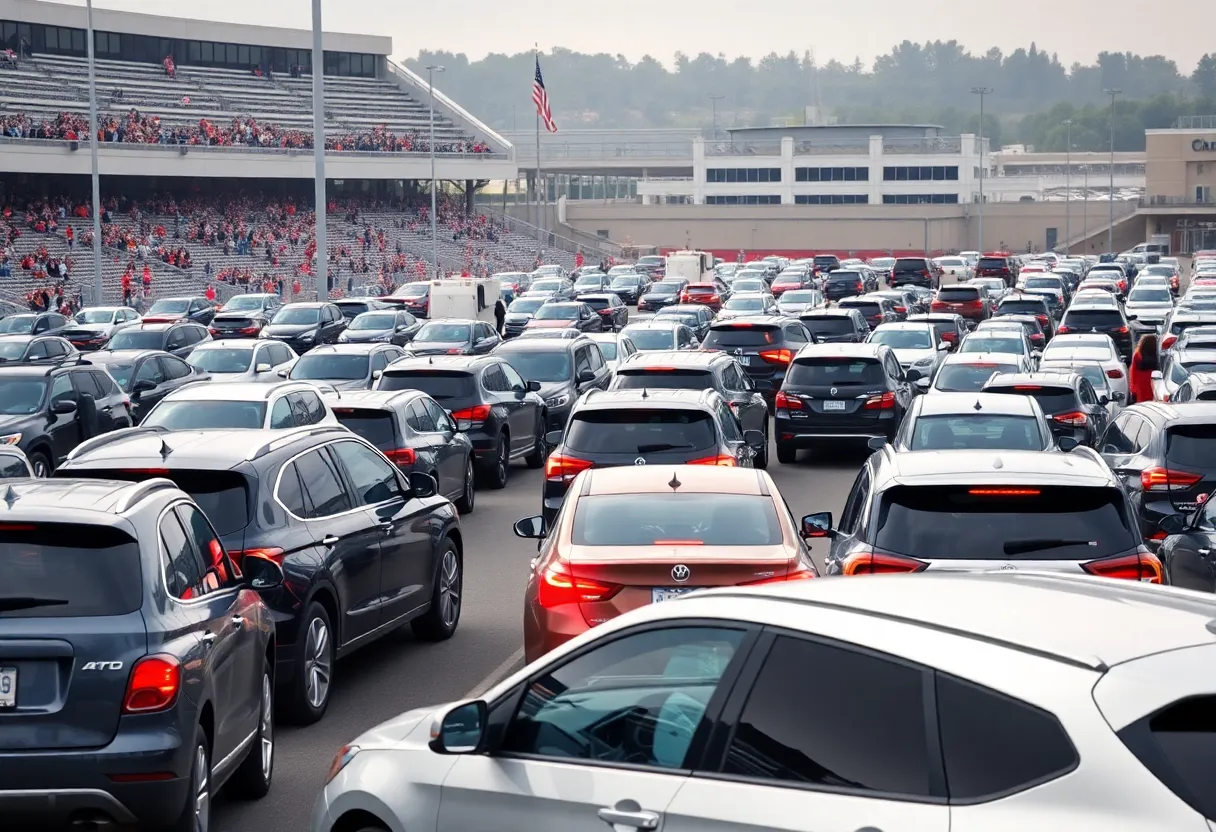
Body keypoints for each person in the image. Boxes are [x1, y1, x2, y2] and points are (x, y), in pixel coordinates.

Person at [1129, 332, 1159, 404]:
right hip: (1153, 382)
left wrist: (1133, 389)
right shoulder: (1157, 355)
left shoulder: (1137, 355)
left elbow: (1133, 373)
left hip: (1140, 384)